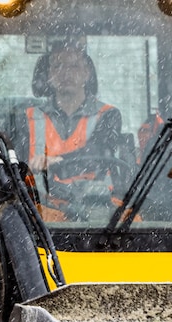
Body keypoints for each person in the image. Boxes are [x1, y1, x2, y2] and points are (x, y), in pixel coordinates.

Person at [25, 43, 124, 218]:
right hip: (42, 212)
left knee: (136, 223)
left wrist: (56, 162)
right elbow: (15, 167)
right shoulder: (27, 118)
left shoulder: (108, 115)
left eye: (74, 65)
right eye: (58, 66)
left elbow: (100, 153)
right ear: (48, 75)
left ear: (87, 73)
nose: (66, 73)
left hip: (98, 210)